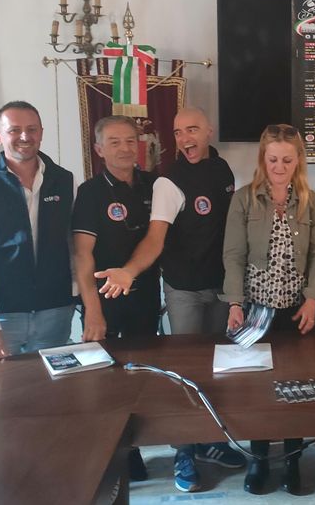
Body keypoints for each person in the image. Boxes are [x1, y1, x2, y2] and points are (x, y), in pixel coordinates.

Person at [96, 106, 245, 492]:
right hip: (185, 291)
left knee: (217, 370)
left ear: (209, 130)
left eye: (192, 130)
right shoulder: (168, 182)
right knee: (185, 374)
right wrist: (129, 271)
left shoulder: (223, 170)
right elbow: (155, 238)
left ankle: (209, 441)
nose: (184, 139)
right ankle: (184, 450)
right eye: (178, 133)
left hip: (222, 289)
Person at [221, 124, 315, 496]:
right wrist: (235, 302)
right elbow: (233, 254)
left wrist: (313, 299)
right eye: (272, 160)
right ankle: (260, 459)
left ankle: (293, 459)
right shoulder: (245, 199)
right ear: (262, 160)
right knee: (258, 387)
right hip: (256, 309)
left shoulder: (311, 200)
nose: (279, 167)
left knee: (295, 386)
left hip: (297, 309)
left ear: (298, 161)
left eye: (287, 160)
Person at [72, 115, 160, 481]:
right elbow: (82, 256)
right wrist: (93, 311)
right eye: (114, 142)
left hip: (145, 298)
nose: (125, 148)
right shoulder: (90, 192)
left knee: (140, 377)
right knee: (104, 381)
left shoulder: (153, 185)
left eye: (130, 140)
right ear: (99, 149)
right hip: (104, 302)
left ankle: (135, 448)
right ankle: (112, 452)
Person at [0, 101, 75, 365]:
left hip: (55, 312)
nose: (24, 136)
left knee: (51, 388)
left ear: (41, 133)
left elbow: (74, 248)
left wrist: (81, 299)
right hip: (1, 316)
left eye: (32, 129)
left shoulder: (66, 182)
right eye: (14, 130)